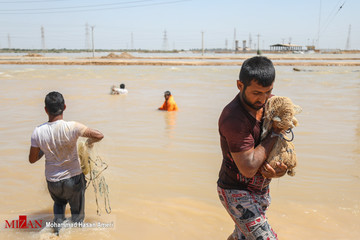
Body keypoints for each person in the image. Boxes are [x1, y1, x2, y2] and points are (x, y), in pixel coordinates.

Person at [217, 56, 287, 240]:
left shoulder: (271, 105)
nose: (263, 99)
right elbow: (248, 168)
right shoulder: (234, 118)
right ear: (240, 85)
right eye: (256, 93)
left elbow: (279, 148)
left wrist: (279, 169)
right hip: (236, 191)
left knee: (241, 238)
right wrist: (275, 132)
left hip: (261, 190)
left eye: (268, 91)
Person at [28, 91, 104, 233]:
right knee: (77, 217)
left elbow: (32, 159)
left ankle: (56, 232)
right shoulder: (72, 127)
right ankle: (74, 234)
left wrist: (45, 149)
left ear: (46, 109)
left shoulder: (38, 132)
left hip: (53, 181)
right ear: (64, 107)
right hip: (73, 180)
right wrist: (88, 143)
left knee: (58, 203)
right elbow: (99, 135)